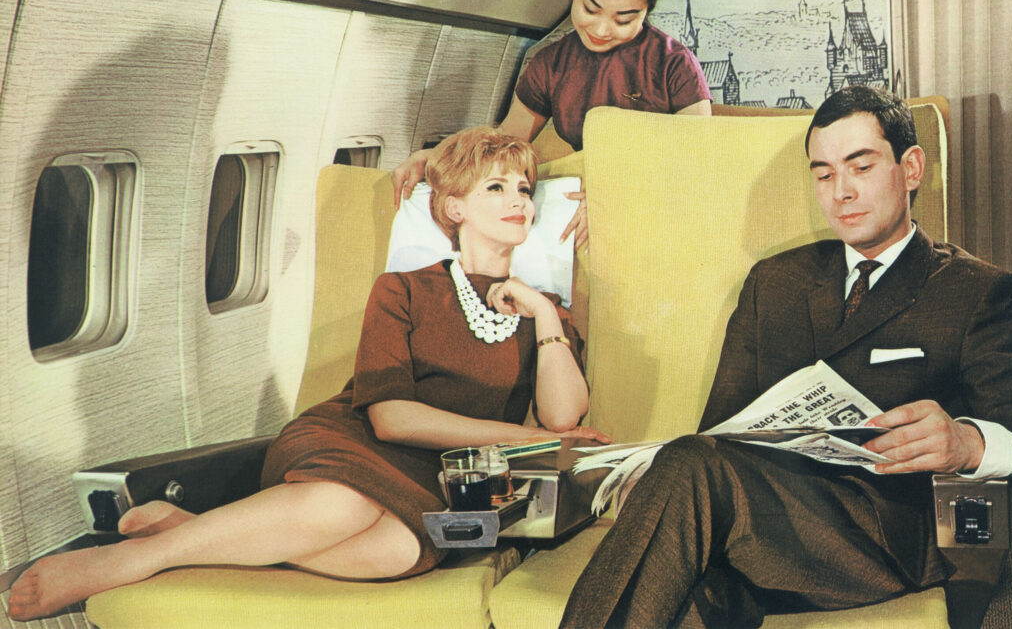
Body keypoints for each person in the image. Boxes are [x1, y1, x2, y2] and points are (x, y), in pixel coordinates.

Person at [6, 126, 610, 622]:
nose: (519, 201)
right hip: (353, 440)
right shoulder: (402, 289)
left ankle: (206, 536)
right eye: (498, 187)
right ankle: (139, 561)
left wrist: (539, 310)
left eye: (525, 189)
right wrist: (529, 443)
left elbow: (564, 416)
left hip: (452, 476)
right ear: (454, 207)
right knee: (343, 509)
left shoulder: (543, 310)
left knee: (400, 550)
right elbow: (392, 418)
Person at [559, 86, 1012, 628]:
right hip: (761, 525)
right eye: (823, 174)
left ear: (912, 167)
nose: (841, 192)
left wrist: (966, 442)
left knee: (684, 486)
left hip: (883, 536)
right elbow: (718, 434)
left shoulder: (977, 290)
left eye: (861, 167)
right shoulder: (774, 282)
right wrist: (659, 486)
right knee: (682, 560)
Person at [392, 0, 712, 249]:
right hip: (584, 209)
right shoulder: (550, 64)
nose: (602, 29)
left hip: (656, 204)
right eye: (590, 8)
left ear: (647, 10)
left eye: (624, 19)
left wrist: (617, 194)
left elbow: (699, 157)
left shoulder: (674, 65)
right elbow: (504, 142)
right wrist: (436, 158)